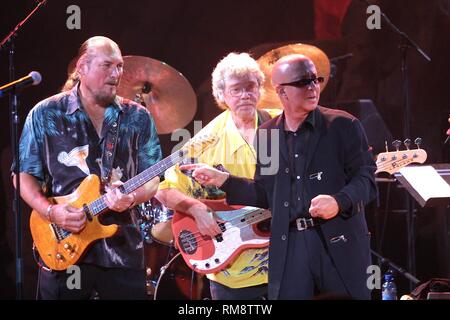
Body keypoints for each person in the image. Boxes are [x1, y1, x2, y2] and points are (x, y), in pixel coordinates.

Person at [180, 54, 377, 300]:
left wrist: (339, 201)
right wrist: (224, 181)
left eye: (315, 80)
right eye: (303, 82)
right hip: (291, 249)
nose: (313, 87)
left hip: (338, 244)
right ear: (281, 92)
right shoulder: (267, 134)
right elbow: (266, 193)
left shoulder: (342, 125)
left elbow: (367, 180)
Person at [12, 36, 162, 299]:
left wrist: (132, 197)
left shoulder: (138, 117)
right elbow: (23, 175)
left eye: (119, 67)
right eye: (107, 65)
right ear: (82, 67)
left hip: (123, 250)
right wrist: (51, 211)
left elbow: (152, 179)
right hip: (63, 247)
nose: (116, 73)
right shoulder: (45, 113)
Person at [156, 52, 271, 300]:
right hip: (233, 270)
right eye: (236, 89)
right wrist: (197, 209)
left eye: (251, 87)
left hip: (284, 262)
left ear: (260, 88)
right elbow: (163, 190)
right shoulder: (205, 141)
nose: (245, 95)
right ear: (222, 96)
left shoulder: (281, 125)